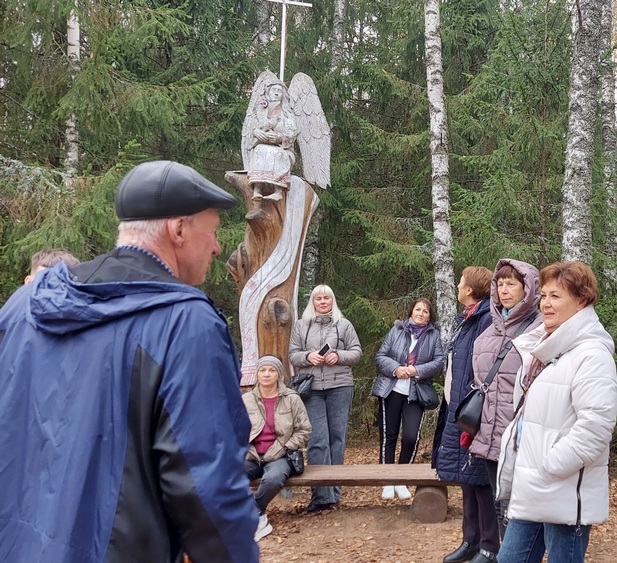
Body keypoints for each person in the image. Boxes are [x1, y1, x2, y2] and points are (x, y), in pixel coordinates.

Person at [0, 160, 260, 562]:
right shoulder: (185, 324)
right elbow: (206, 488)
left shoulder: (23, 308)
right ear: (178, 230)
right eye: (212, 231)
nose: (217, 246)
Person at [496, 261, 617, 563]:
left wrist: (549, 466)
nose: (546, 304)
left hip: (562, 488)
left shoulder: (591, 355)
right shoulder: (546, 349)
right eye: (544, 295)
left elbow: (596, 428)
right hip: (533, 486)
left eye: (556, 296)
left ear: (581, 301)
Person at [470, 259, 541, 544]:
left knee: (519, 508)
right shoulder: (489, 329)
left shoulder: (539, 328)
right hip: (489, 433)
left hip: (520, 435)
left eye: (512, 283)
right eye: (500, 284)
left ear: (529, 288)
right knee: (499, 504)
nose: (504, 290)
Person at [437, 266, 496, 563]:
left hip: (476, 412)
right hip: (459, 409)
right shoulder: (467, 319)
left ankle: (489, 546)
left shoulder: (486, 320)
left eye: (460, 282)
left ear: (470, 290)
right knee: (467, 478)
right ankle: (470, 540)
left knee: (480, 481)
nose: (458, 286)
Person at [289, 284, 363, 512]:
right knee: (317, 440)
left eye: (327, 298)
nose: (323, 302)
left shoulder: (344, 324)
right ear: (312, 301)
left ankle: (335, 492)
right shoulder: (301, 326)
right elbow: (292, 355)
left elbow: (357, 352)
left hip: (340, 386)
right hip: (310, 389)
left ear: (333, 301)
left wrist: (338, 356)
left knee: (337, 439)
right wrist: (307, 356)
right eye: (318, 298)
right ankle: (321, 496)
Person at [373, 297, 446, 500]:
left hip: (416, 392)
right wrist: (396, 369)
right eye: (418, 309)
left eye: (425, 311)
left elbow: (439, 361)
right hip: (392, 389)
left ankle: (403, 478)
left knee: (411, 437)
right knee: (389, 435)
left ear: (430, 316)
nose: (421, 313)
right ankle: (387, 480)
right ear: (411, 311)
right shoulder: (397, 330)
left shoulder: (433, 335)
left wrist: (416, 370)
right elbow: (381, 356)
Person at [243, 355, 312, 540]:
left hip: (279, 455)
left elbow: (304, 429)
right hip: (250, 455)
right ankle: (256, 516)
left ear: (279, 375)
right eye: (262, 370)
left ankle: (253, 514)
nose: (266, 374)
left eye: (271, 370)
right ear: (257, 374)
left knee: (273, 478)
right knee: (226, 475)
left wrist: (287, 445)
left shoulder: (291, 399)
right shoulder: (246, 400)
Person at [246, 80, 298, 201]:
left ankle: (278, 190)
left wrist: (279, 137)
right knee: (259, 150)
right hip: (263, 145)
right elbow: (253, 127)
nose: (276, 93)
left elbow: (292, 133)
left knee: (277, 153)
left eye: (279, 91)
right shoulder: (261, 110)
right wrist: (256, 132)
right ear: (268, 93)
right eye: (273, 90)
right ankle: (257, 189)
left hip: (283, 150)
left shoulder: (287, 114)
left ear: (283, 94)